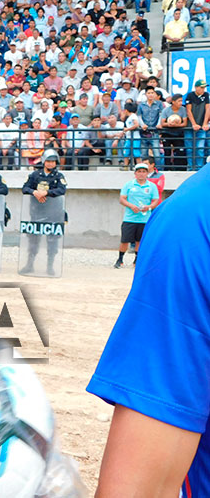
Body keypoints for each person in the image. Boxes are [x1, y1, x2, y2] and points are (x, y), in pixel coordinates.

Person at [88, 164, 210, 498]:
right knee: (128, 242)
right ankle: (120, 259)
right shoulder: (195, 217)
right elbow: (138, 488)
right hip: (144, 224)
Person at [20, 149, 67, 276]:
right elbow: (25, 188)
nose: (51, 163)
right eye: (48, 161)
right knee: (33, 241)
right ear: (43, 161)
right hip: (36, 212)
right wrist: (34, 192)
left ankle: (50, 266)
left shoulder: (59, 176)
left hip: (53, 214)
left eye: (53, 161)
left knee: (52, 242)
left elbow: (62, 190)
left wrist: (47, 193)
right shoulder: (35, 175)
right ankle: (29, 265)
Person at [113, 162, 160, 268]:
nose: (141, 174)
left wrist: (149, 207)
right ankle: (120, 259)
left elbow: (155, 200)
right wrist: (131, 206)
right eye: (139, 171)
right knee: (125, 240)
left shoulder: (152, 186)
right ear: (135, 173)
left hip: (144, 219)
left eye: (144, 171)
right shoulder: (128, 185)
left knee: (140, 240)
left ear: (147, 173)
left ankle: (136, 260)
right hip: (129, 218)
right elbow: (122, 199)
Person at [184, 79, 210, 170]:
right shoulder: (190, 95)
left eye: (204, 88)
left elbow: (208, 109)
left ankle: (199, 168)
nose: (203, 89)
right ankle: (190, 167)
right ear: (196, 87)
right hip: (189, 126)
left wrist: (205, 123)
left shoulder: (206, 95)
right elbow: (188, 110)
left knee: (200, 148)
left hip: (201, 126)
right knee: (189, 148)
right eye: (201, 87)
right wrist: (194, 124)